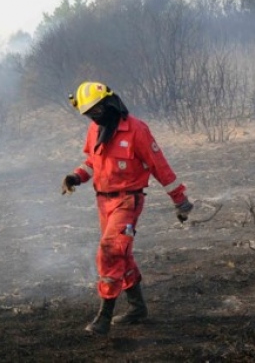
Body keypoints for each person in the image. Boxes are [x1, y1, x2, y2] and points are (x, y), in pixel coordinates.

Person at [60, 81, 193, 336]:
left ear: (109, 103)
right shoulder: (95, 129)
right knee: (122, 253)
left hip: (128, 202)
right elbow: (92, 161)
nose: (94, 117)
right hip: (103, 202)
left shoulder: (136, 130)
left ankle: (104, 317)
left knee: (110, 251)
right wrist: (76, 176)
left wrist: (180, 199)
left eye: (96, 110)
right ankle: (137, 307)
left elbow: (159, 166)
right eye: (89, 113)